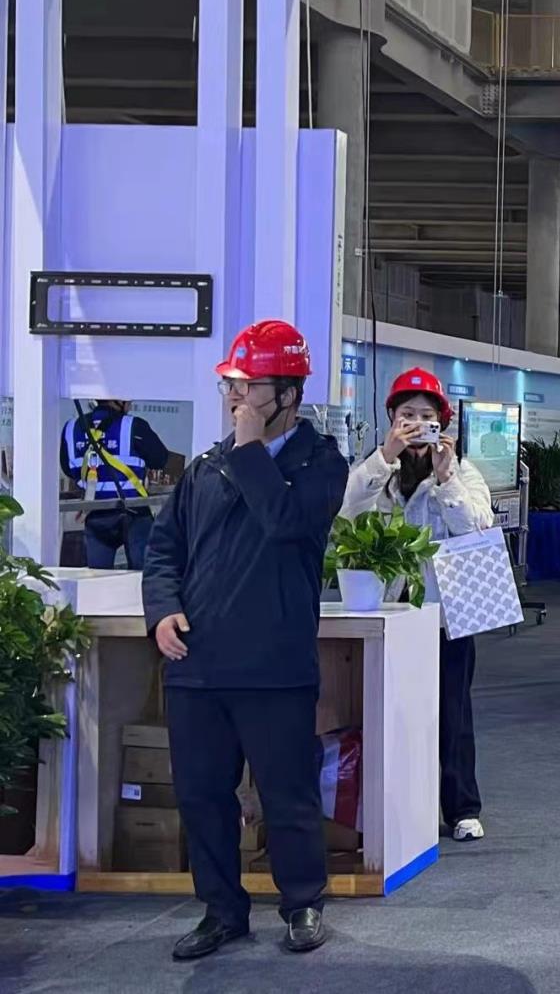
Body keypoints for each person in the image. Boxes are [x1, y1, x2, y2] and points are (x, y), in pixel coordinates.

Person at [142, 319, 349, 960]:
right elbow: (164, 548)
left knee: (286, 793)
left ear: (288, 394)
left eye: (249, 385)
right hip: (197, 664)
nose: (236, 396)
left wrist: (251, 447)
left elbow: (285, 522)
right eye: (231, 384)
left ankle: (302, 904)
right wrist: (163, 610)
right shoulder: (206, 465)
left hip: (275, 664)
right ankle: (221, 911)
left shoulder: (322, 464)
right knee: (202, 795)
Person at [340, 367, 494, 843]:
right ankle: (395, 806)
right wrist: (384, 457)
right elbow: (346, 514)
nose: (417, 424)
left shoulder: (461, 471)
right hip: (388, 611)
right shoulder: (375, 468)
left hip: (446, 613)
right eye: (407, 415)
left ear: (441, 422)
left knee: (452, 712)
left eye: (426, 416)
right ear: (391, 418)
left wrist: (446, 480)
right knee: (389, 710)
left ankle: (461, 807)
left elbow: (478, 526)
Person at [61, 398, 172, 569]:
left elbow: (68, 469)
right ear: (121, 402)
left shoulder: (72, 428)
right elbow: (160, 459)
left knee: (96, 576)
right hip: (134, 511)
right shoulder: (134, 425)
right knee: (143, 574)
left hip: (95, 513)